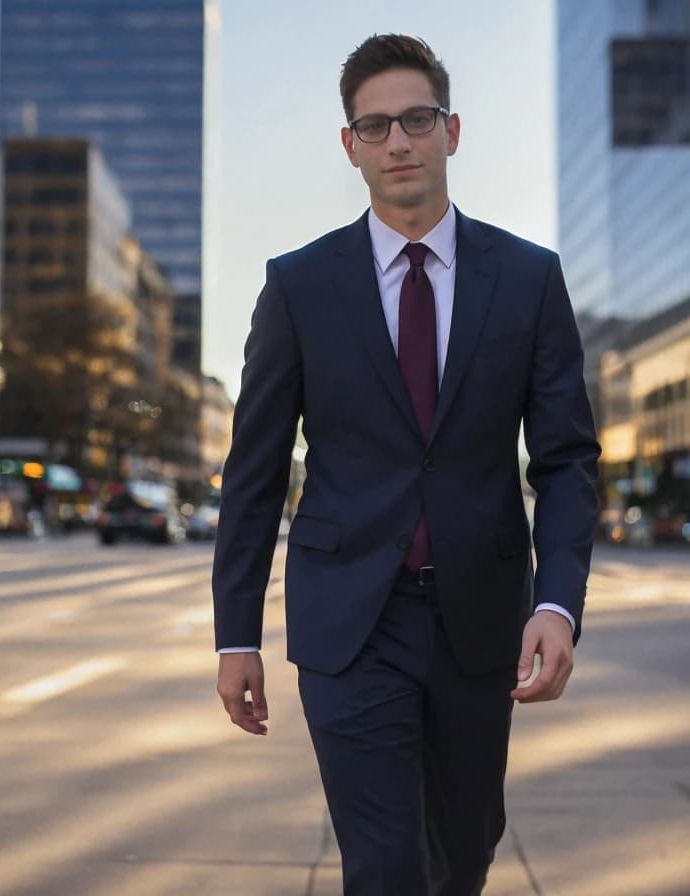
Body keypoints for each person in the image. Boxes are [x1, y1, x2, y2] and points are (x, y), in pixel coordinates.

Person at [212, 35, 600, 896]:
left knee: (461, 854)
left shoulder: (530, 280)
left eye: (416, 120)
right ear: (349, 146)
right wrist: (237, 632)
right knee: (384, 865)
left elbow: (569, 460)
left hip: (480, 620)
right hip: (351, 621)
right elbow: (254, 473)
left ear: (451, 131)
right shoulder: (299, 286)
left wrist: (557, 601)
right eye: (376, 125)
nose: (398, 142)